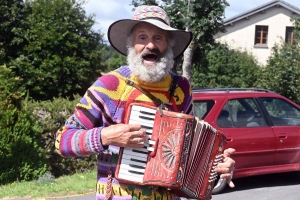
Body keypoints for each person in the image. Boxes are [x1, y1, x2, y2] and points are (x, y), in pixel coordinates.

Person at [55, 5, 235, 200]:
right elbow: (62, 141)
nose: (150, 45)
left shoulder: (181, 88)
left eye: (158, 38)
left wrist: (214, 166)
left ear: (169, 45)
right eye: (142, 37)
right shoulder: (110, 85)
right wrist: (104, 137)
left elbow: (186, 151)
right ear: (132, 44)